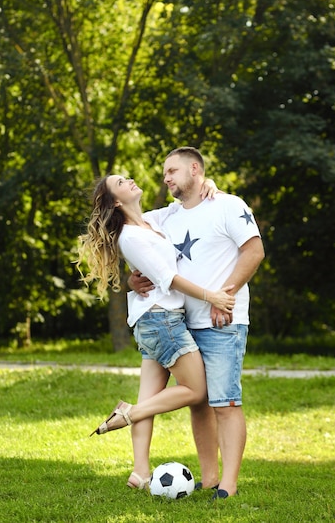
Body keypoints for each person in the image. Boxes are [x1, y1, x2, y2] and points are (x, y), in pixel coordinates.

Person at [76, 173, 236, 489]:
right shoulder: (129, 237)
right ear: (117, 202)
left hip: (152, 320)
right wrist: (212, 295)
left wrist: (210, 184)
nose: (130, 179)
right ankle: (128, 413)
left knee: (149, 397)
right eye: (121, 182)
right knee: (196, 390)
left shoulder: (150, 222)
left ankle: (139, 472)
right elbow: (168, 278)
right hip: (162, 321)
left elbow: (187, 203)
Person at [129, 147, 265, 499]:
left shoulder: (229, 205)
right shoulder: (166, 216)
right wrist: (132, 281)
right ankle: (209, 477)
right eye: (164, 173)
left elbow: (254, 251)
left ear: (194, 169)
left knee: (226, 402)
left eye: (172, 171)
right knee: (198, 402)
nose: (166, 178)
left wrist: (226, 294)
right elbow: (132, 229)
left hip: (223, 321)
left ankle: (229, 487)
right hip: (182, 322)